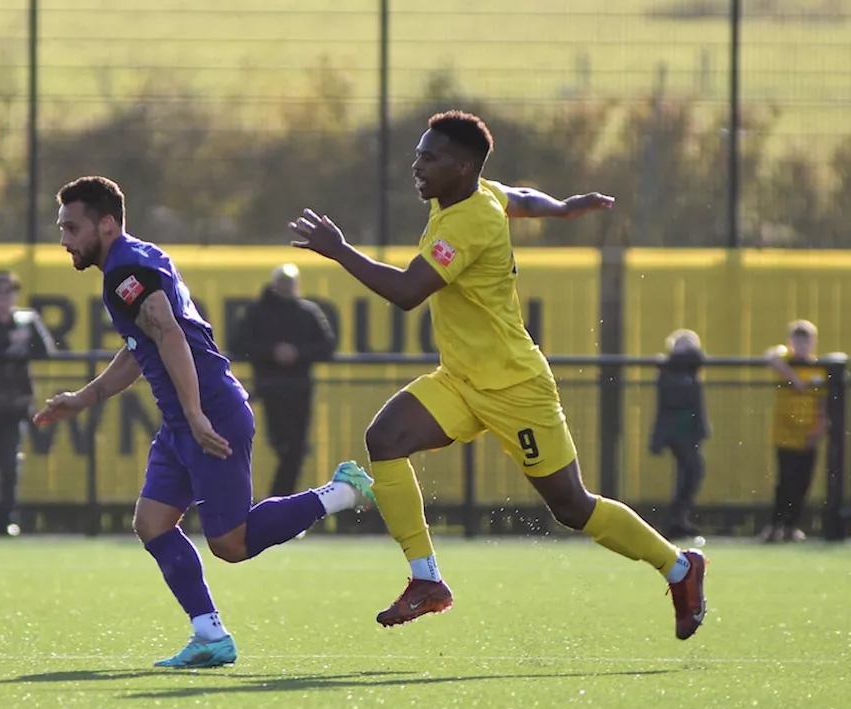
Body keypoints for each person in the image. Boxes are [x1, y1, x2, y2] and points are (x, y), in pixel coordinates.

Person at [289, 110, 707, 641]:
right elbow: (518, 196)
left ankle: (679, 568)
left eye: (429, 157)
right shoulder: (474, 193)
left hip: (515, 387)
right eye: (418, 153)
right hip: (462, 379)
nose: (416, 164)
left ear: (461, 166)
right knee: (386, 438)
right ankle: (426, 580)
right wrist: (560, 208)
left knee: (572, 507)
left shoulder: (470, 221)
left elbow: (407, 293)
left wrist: (339, 250)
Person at [35, 176, 376, 669]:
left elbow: (169, 334)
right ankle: (209, 635)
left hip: (209, 413)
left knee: (231, 545)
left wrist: (195, 414)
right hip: (183, 421)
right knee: (152, 523)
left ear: (106, 224)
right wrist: (88, 397)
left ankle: (341, 491)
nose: (64, 239)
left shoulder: (124, 272)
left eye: (72, 227)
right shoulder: (134, 258)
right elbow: (145, 343)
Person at [0, 270, 57, 537]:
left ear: (15, 293)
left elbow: (47, 351)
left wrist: (22, 348)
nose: (2, 297)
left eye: (8, 291)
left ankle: (7, 518)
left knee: (9, 465)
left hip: (14, 403)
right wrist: (5, 349)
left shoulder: (26, 320)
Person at [230, 263, 337, 497]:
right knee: (281, 445)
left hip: (299, 390)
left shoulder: (307, 312)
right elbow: (237, 344)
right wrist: (272, 352)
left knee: (295, 451)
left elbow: (328, 346)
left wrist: (298, 353)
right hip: (270, 388)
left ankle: (278, 503)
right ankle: (278, 504)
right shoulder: (257, 312)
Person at [762, 320, 827, 542]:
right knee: (785, 482)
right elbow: (770, 356)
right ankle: (775, 526)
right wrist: (795, 379)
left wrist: (818, 429)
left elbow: (822, 402)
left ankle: (792, 526)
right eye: (798, 341)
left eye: (806, 341)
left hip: (807, 434)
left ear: (813, 342)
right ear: (791, 342)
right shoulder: (785, 362)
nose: (802, 345)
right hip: (785, 434)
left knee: (803, 482)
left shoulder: (818, 368)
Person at [649, 329, 709, 539]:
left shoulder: (690, 370)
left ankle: (678, 519)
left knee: (691, 473)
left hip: (690, 431)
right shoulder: (671, 369)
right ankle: (675, 520)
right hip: (678, 431)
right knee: (691, 471)